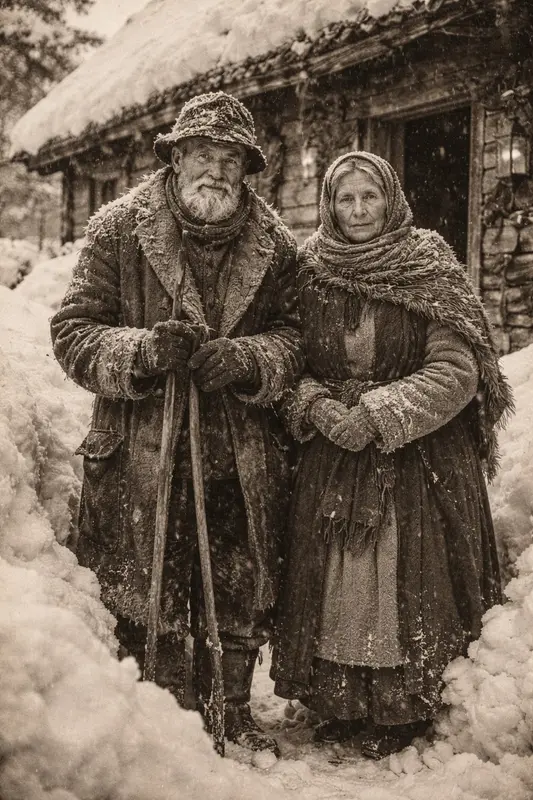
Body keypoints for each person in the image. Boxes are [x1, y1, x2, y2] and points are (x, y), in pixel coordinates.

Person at [51, 91, 304, 756]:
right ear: (176, 157)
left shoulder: (278, 247)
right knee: (147, 584)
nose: (215, 170)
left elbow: (298, 337)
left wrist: (248, 359)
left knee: (237, 578)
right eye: (202, 154)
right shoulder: (118, 230)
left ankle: (231, 707)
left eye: (230, 158)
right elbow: (72, 331)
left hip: (239, 447)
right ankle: (161, 711)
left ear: (247, 169)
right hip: (142, 446)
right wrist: (141, 351)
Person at [271, 151, 513, 759]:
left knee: (400, 578)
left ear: (391, 199)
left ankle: (400, 705)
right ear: (329, 205)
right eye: (345, 198)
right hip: (331, 451)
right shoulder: (309, 271)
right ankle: (339, 702)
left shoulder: (426, 263)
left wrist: (378, 414)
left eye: (369, 196)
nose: (358, 210)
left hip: (415, 456)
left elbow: (456, 369)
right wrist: (316, 407)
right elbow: (288, 357)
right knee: (335, 581)